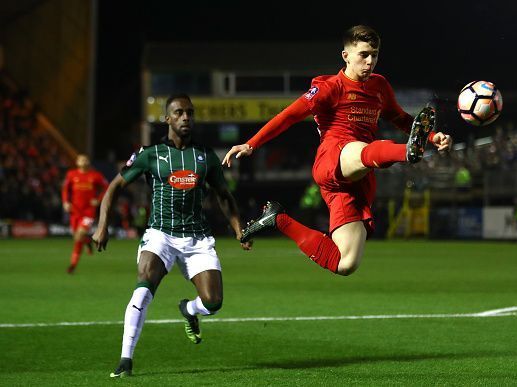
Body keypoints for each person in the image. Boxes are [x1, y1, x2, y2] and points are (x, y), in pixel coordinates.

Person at [223, 25, 452, 276]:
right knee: (365, 151)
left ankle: (277, 218)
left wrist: (431, 136)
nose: (370, 61)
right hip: (334, 157)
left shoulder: (379, 86)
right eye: (363, 55)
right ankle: (406, 152)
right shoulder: (329, 88)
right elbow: (289, 116)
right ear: (346, 56)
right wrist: (251, 143)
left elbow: (399, 117)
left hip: (357, 178)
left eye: (374, 55)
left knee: (346, 263)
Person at [92, 94, 252, 378]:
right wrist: (102, 225)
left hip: (197, 238)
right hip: (160, 235)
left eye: (190, 112)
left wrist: (239, 230)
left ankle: (189, 309)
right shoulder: (150, 154)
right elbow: (114, 187)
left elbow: (224, 197)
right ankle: (125, 359)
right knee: (144, 286)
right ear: (167, 119)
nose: (186, 117)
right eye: (179, 113)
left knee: (213, 303)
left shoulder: (205, 156)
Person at [61, 153, 108, 274]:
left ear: (88, 162)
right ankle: (87, 241)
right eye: (81, 159)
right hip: (75, 211)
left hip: (88, 211)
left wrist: (98, 200)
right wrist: (66, 202)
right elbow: (65, 189)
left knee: (79, 235)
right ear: (77, 162)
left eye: (86, 159)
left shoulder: (95, 175)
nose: (84, 161)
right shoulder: (71, 175)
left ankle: (72, 265)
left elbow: (107, 187)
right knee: (77, 236)